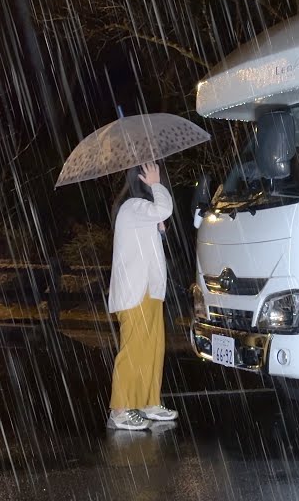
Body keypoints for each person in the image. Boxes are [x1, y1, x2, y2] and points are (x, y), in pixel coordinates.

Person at [106, 161, 178, 432]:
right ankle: (120, 410)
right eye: (150, 173)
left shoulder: (140, 212)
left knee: (153, 348)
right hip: (134, 293)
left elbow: (151, 241)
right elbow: (164, 207)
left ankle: (149, 402)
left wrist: (158, 230)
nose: (158, 177)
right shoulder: (131, 207)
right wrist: (156, 184)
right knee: (133, 350)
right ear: (142, 179)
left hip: (149, 291)